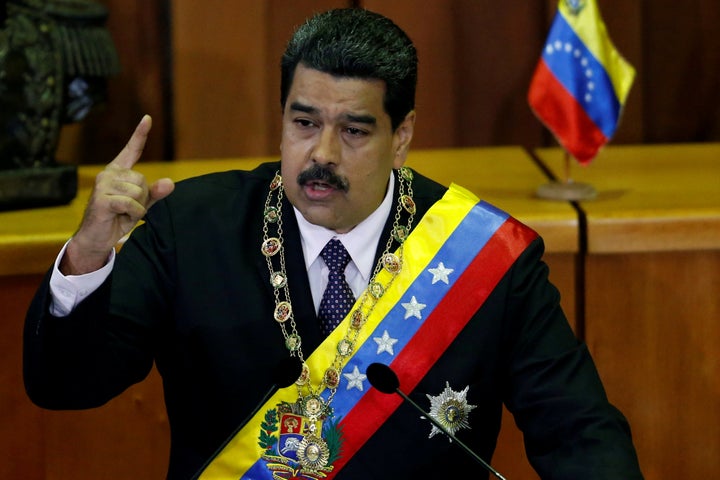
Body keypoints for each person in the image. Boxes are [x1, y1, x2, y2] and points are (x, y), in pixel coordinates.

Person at [23, 7, 643, 480]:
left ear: (401, 137)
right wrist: (86, 256)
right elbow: (66, 386)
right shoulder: (191, 227)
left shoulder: (484, 257)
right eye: (303, 123)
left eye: (353, 130)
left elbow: (579, 431)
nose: (320, 155)